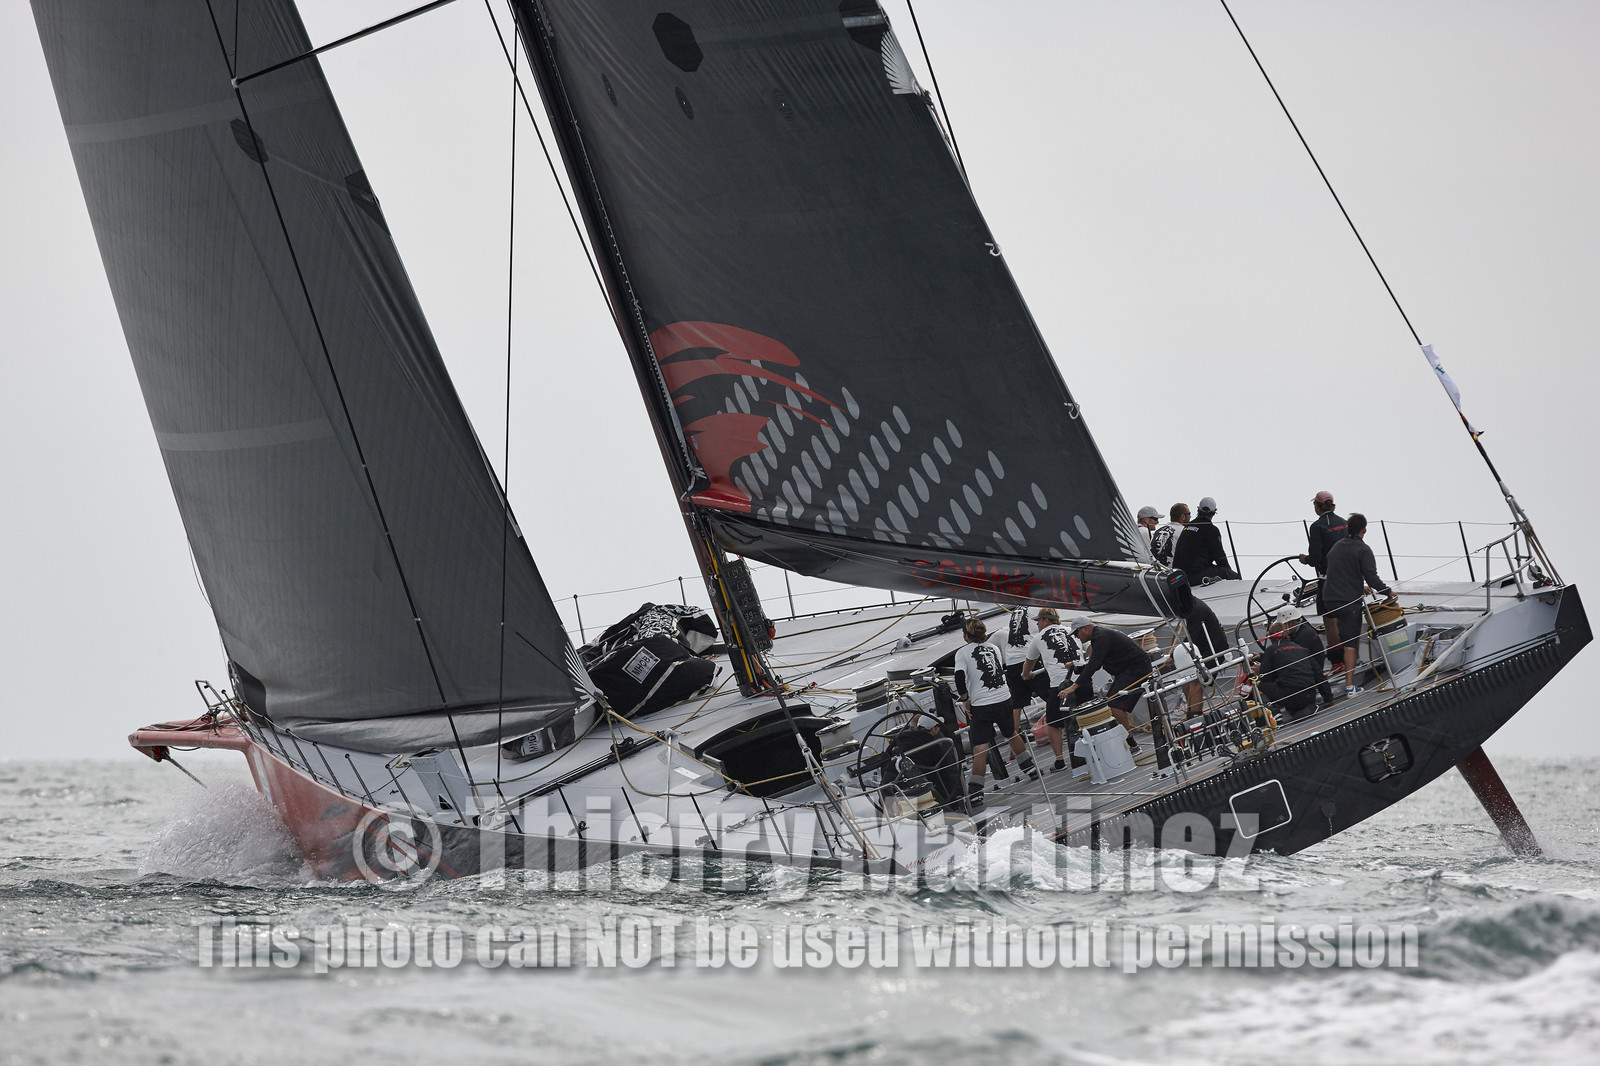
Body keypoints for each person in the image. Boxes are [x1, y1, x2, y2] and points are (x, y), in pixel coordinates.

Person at [953, 618, 1036, 784]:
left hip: (982, 705)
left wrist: (964, 699)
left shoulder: (962, 653)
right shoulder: (993, 648)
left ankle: (976, 789)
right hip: (1004, 699)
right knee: (1011, 733)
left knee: (980, 745)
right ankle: (1030, 769)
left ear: (966, 636)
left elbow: (959, 677)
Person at [1322, 513, 1396, 698]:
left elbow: (1337, 570)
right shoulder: (1363, 549)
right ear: (1364, 530)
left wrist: (1358, 585)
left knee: (1339, 632)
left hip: (1329, 599)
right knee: (1350, 644)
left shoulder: (1336, 547)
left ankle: (1341, 665)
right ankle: (1350, 687)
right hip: (1348, 601)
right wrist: (1388, 592)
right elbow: (1372, 577)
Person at [1061, 616, 1152, 755]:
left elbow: (1093, 665)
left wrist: (1074, 686)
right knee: (1111, 704)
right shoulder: (1099, 636)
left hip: (1136, 669)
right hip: (1127, 670)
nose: (1076, 637)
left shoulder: (1101, 637)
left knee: (1115, 706)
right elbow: (1096, 664)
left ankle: (1132, 745)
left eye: (1076, 633)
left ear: (1085, 628)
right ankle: (1126, 742)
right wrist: (1076, 669)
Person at [1020, 607, 1083, 772]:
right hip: (1082, 680)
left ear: (1046, 620)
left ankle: (1060, 761)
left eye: (1039, 621)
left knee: (1053, 723)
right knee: (1085, 716)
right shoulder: (1072, 630)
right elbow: (1089, 647)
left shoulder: (1038, 638)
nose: (1038, 625)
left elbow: (1029, 663)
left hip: (1060, 685)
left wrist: (1026, 675)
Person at [1299, 491, 1347, 674]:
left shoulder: (1317, 526)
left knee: (1330, 621)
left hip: (1329, 581)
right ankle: (1353, 658)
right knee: (1345, 618)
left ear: (1317, 506)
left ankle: (1337, 662)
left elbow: (1316, 557)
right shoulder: (1344, 522)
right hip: (1347, 577)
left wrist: (1305, 559)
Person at [1174, 591, 1227, 718]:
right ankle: (1191, 712)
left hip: (1214, 650)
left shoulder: (1196, 610)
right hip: (1201, 649)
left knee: (1196, 682)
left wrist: (1172, 657)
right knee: (1186, 680)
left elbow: (1193, 638)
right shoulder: (1190, 605)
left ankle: (1194, 718)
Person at [1256, 616, 1320, 721]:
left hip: (1291, 696)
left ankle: (1275, 714)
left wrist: (1259, 672)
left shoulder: (1271, 650)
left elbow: (1265, 677)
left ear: (1271, 638)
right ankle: (1294, 709)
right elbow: (1318, 673)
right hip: (1310, 695)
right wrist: (1328, 699)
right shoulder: (1301, 649)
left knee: (1259, 686)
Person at [1172, 497, 1240, 583]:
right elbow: (1220, 558)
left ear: (1199, 510)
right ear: (1214, 512)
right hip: (1195, 576)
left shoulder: (1187, 526)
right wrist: (1230, 573)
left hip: (1180, 575)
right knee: (1231, 575)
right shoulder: (1211, 530)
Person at [1277, 608, 1335, 705]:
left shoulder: (1304, 635)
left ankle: (1325, 698)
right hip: (1308, 659)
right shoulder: (1299, 631)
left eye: (1284, 625)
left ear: (1292, 623)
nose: (1282, 628)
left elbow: (1290, 653)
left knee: (1316, 674)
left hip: (1311, 661)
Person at [1149, 503, 1187, 568]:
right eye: (1189, 514)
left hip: (1155, 572)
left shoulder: (1158, 531)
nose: (1190, 517)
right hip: (1173, 573)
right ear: (1183, 516)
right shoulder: (1184, 531)